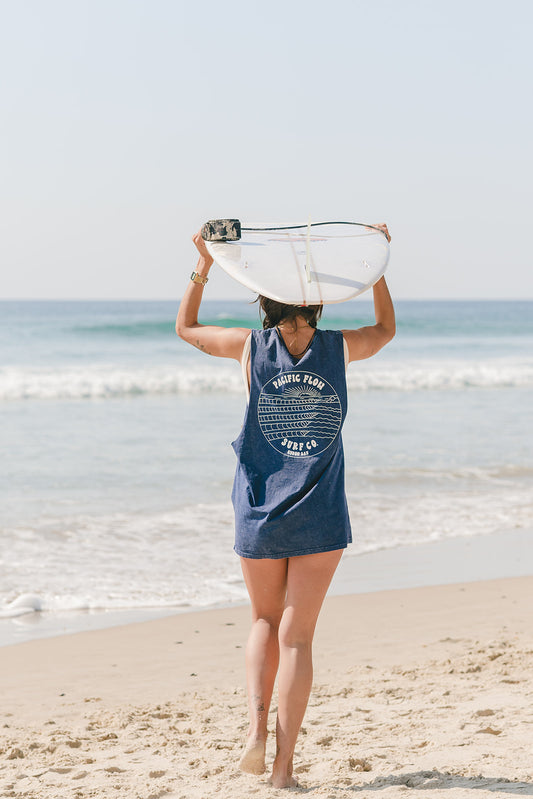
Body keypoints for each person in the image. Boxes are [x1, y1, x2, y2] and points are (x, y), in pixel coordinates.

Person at [175, 225, 395, 788]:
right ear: (319, 305)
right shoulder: (338, 348)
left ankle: (255, 732)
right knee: (297, 637)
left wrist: (203, 263)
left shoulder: (249, 347)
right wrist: (375, 264)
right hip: (320, 513)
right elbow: (386, 329)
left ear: (264, 303)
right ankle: (282, 770)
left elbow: (186, 329)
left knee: (264, 622)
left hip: (258, 508)